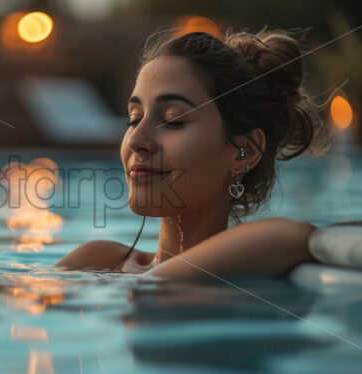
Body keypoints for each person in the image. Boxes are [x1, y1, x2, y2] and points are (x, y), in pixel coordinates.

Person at [55, 27, 333, 280]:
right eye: (134, 118)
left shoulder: (270, 245)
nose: (137, 139)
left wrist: (149, 283)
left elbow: (292, 236)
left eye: (173, 120)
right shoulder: (99, 259)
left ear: (245, 151)